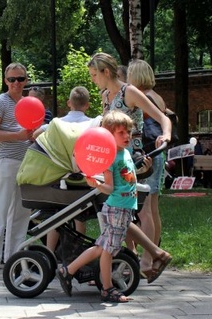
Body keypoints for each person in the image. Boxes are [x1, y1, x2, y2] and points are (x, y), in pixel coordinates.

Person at [89, 52, 173, 284]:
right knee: (120, 213)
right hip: (113, 161)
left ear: (107, 72)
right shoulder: (106, 95)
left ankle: (146, 260)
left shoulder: (129, 92)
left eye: (95, 75)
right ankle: (138, 258)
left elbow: (163, 118)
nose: (93, 80)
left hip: (131, 161)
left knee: (130, 211)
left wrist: (165, 135)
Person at [57, 110, 137, 303]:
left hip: (123, 208)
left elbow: (128, 178)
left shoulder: (125, 153)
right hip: (116, 208)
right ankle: (107, 289)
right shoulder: (112, 158)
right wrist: (98, 185)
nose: (127, 136)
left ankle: (68, 270)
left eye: (128, 132)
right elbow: (109, 188)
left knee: (102, 247)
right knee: (109, 250)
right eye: (121, 133)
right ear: (109, 135)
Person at [0, 62, 34, 271]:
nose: (16, 83)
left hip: (27, 161)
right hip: (5, 161)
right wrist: (17, 136)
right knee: (0, 208)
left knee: (22, 212)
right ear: (6, 81)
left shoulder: (30, 102)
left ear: (26, 80)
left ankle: (14, 255)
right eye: (12, 79)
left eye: (20, 79)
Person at [33, 86, 92, 252]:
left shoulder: (55, 124)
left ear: (69, 103)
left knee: (57, 216)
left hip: (60, 178)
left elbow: (36, 134)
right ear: (87, 105)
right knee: (81, 216)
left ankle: (50, 252)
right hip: (83, 178)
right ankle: (78, 251)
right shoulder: (93, 124)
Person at [126, 59, 169, 276]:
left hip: (147, 154)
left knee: (144, 210)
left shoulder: (144, 97)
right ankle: (152, 256)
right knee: (152, 208)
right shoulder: (158, 97)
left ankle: (144, 260)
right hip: (158, 154)